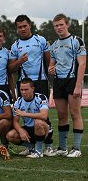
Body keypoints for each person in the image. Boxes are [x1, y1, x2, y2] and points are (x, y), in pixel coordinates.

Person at [8, 15, 53, 155]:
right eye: (19, 27)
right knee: (26, 112)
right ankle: (31, 146)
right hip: (23, 83)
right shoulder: (15, 45)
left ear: (30, 25)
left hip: (40, 81)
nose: (22, 29)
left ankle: (48, 146)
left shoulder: (41, 40)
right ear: (16, 29)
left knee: (43, 115)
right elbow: (11, 69)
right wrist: (19, 61)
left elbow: (49, 60)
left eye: (24, 26)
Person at [48, 14, 86, 158]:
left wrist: (78, 86)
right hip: (58, 82)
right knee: (61, 115)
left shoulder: (77, 41)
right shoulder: (54, 45)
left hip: (72, 80)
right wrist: (50, 69)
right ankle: (62, 148)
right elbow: (51, 66)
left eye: (61, 25)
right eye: (56, 26)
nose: (59, 28)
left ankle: (76, 148)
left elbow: (82, 63)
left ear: (67, 25)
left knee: (75, 114)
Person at [6, 78, 49, 158]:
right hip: (28, 129)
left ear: (33, 89)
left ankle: (39, 151)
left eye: (26, 89)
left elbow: (44, 116)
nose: (23, 92)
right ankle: (31, 147)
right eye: (21, 90)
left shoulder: (41, 98)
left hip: (43, 129)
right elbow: (15, 121)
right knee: (10, 135)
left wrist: (24, 114)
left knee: (38, 122)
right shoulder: (18, 101)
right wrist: (20, 130)